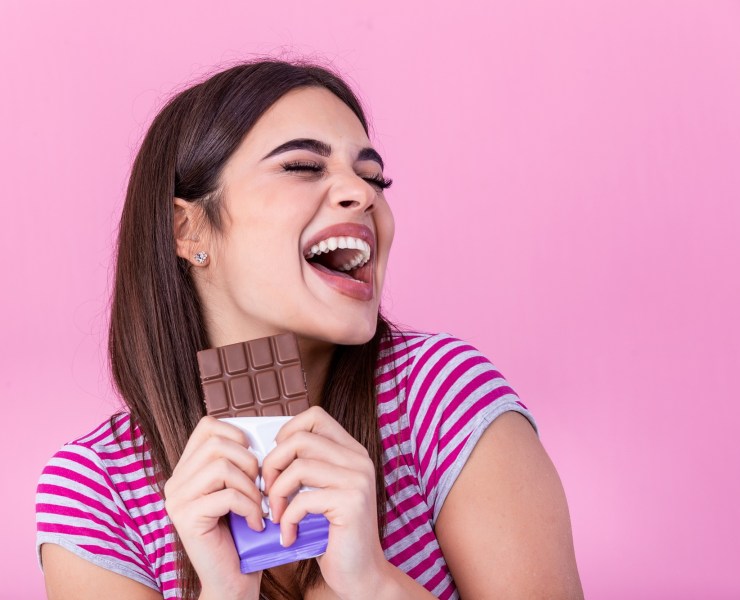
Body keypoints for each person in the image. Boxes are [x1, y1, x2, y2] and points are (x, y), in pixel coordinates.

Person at [35, 59, 583, 599]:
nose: (363, 194)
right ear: (187, 227)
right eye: (303, 166)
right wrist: (224, 594)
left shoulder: (440, 396)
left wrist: (373, 583)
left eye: (373, 177)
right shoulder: (96, 491)